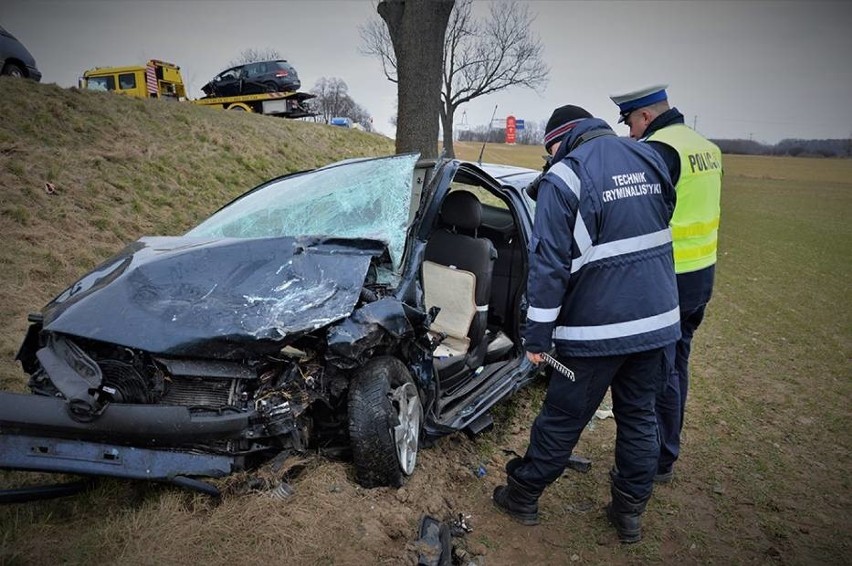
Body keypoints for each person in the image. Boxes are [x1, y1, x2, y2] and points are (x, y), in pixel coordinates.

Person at [492, 105, 680, 543]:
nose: (550, 158)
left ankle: (523, 495)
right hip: (657, 322)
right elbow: (660, 216)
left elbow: (549, 266)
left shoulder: (567, 176)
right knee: (640, 417)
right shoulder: (648, 155)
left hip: (596, 331)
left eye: (550, 148)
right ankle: (629, 513)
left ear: (564, 138)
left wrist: (537, 338)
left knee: (562, 416)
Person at [609, 85, 723, 484]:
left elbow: (638, 213)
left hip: (669, 279)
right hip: (701, 275)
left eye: (630, 124)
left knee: (662, 372)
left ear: (644, 117)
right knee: (678, 364)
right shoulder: (705, 147)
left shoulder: (660, 151)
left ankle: (659, 458)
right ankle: (665, 449)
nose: (630, 135)